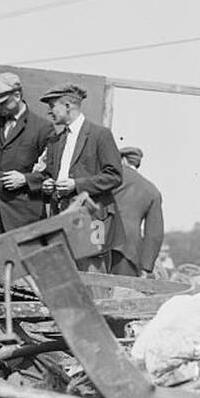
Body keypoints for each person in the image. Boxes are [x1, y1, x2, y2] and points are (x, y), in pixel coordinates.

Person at [35, 83, 124, 268]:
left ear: (68, 105)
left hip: (91, 219)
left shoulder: (100, 135)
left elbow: (114, 176)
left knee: (92, 275)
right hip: (60, 219)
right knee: (64, 274)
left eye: (53, 106)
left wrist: (76, 185)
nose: (50, 112)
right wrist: (47, 183)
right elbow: (47, 174)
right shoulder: (55, 140)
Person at [0, 72, 56, 238]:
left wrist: (25, 179)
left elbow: (52, 172)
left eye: (2, 103)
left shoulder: (42, 128)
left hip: (24, 218)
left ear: (17, 95)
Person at [111, 145, 166, 276]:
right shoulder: (152, 191)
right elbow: (154, 234)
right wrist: (146, 267)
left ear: (122, 160)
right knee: (122, 292)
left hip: (98, 238)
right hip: (129, 249)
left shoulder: (108, 178)